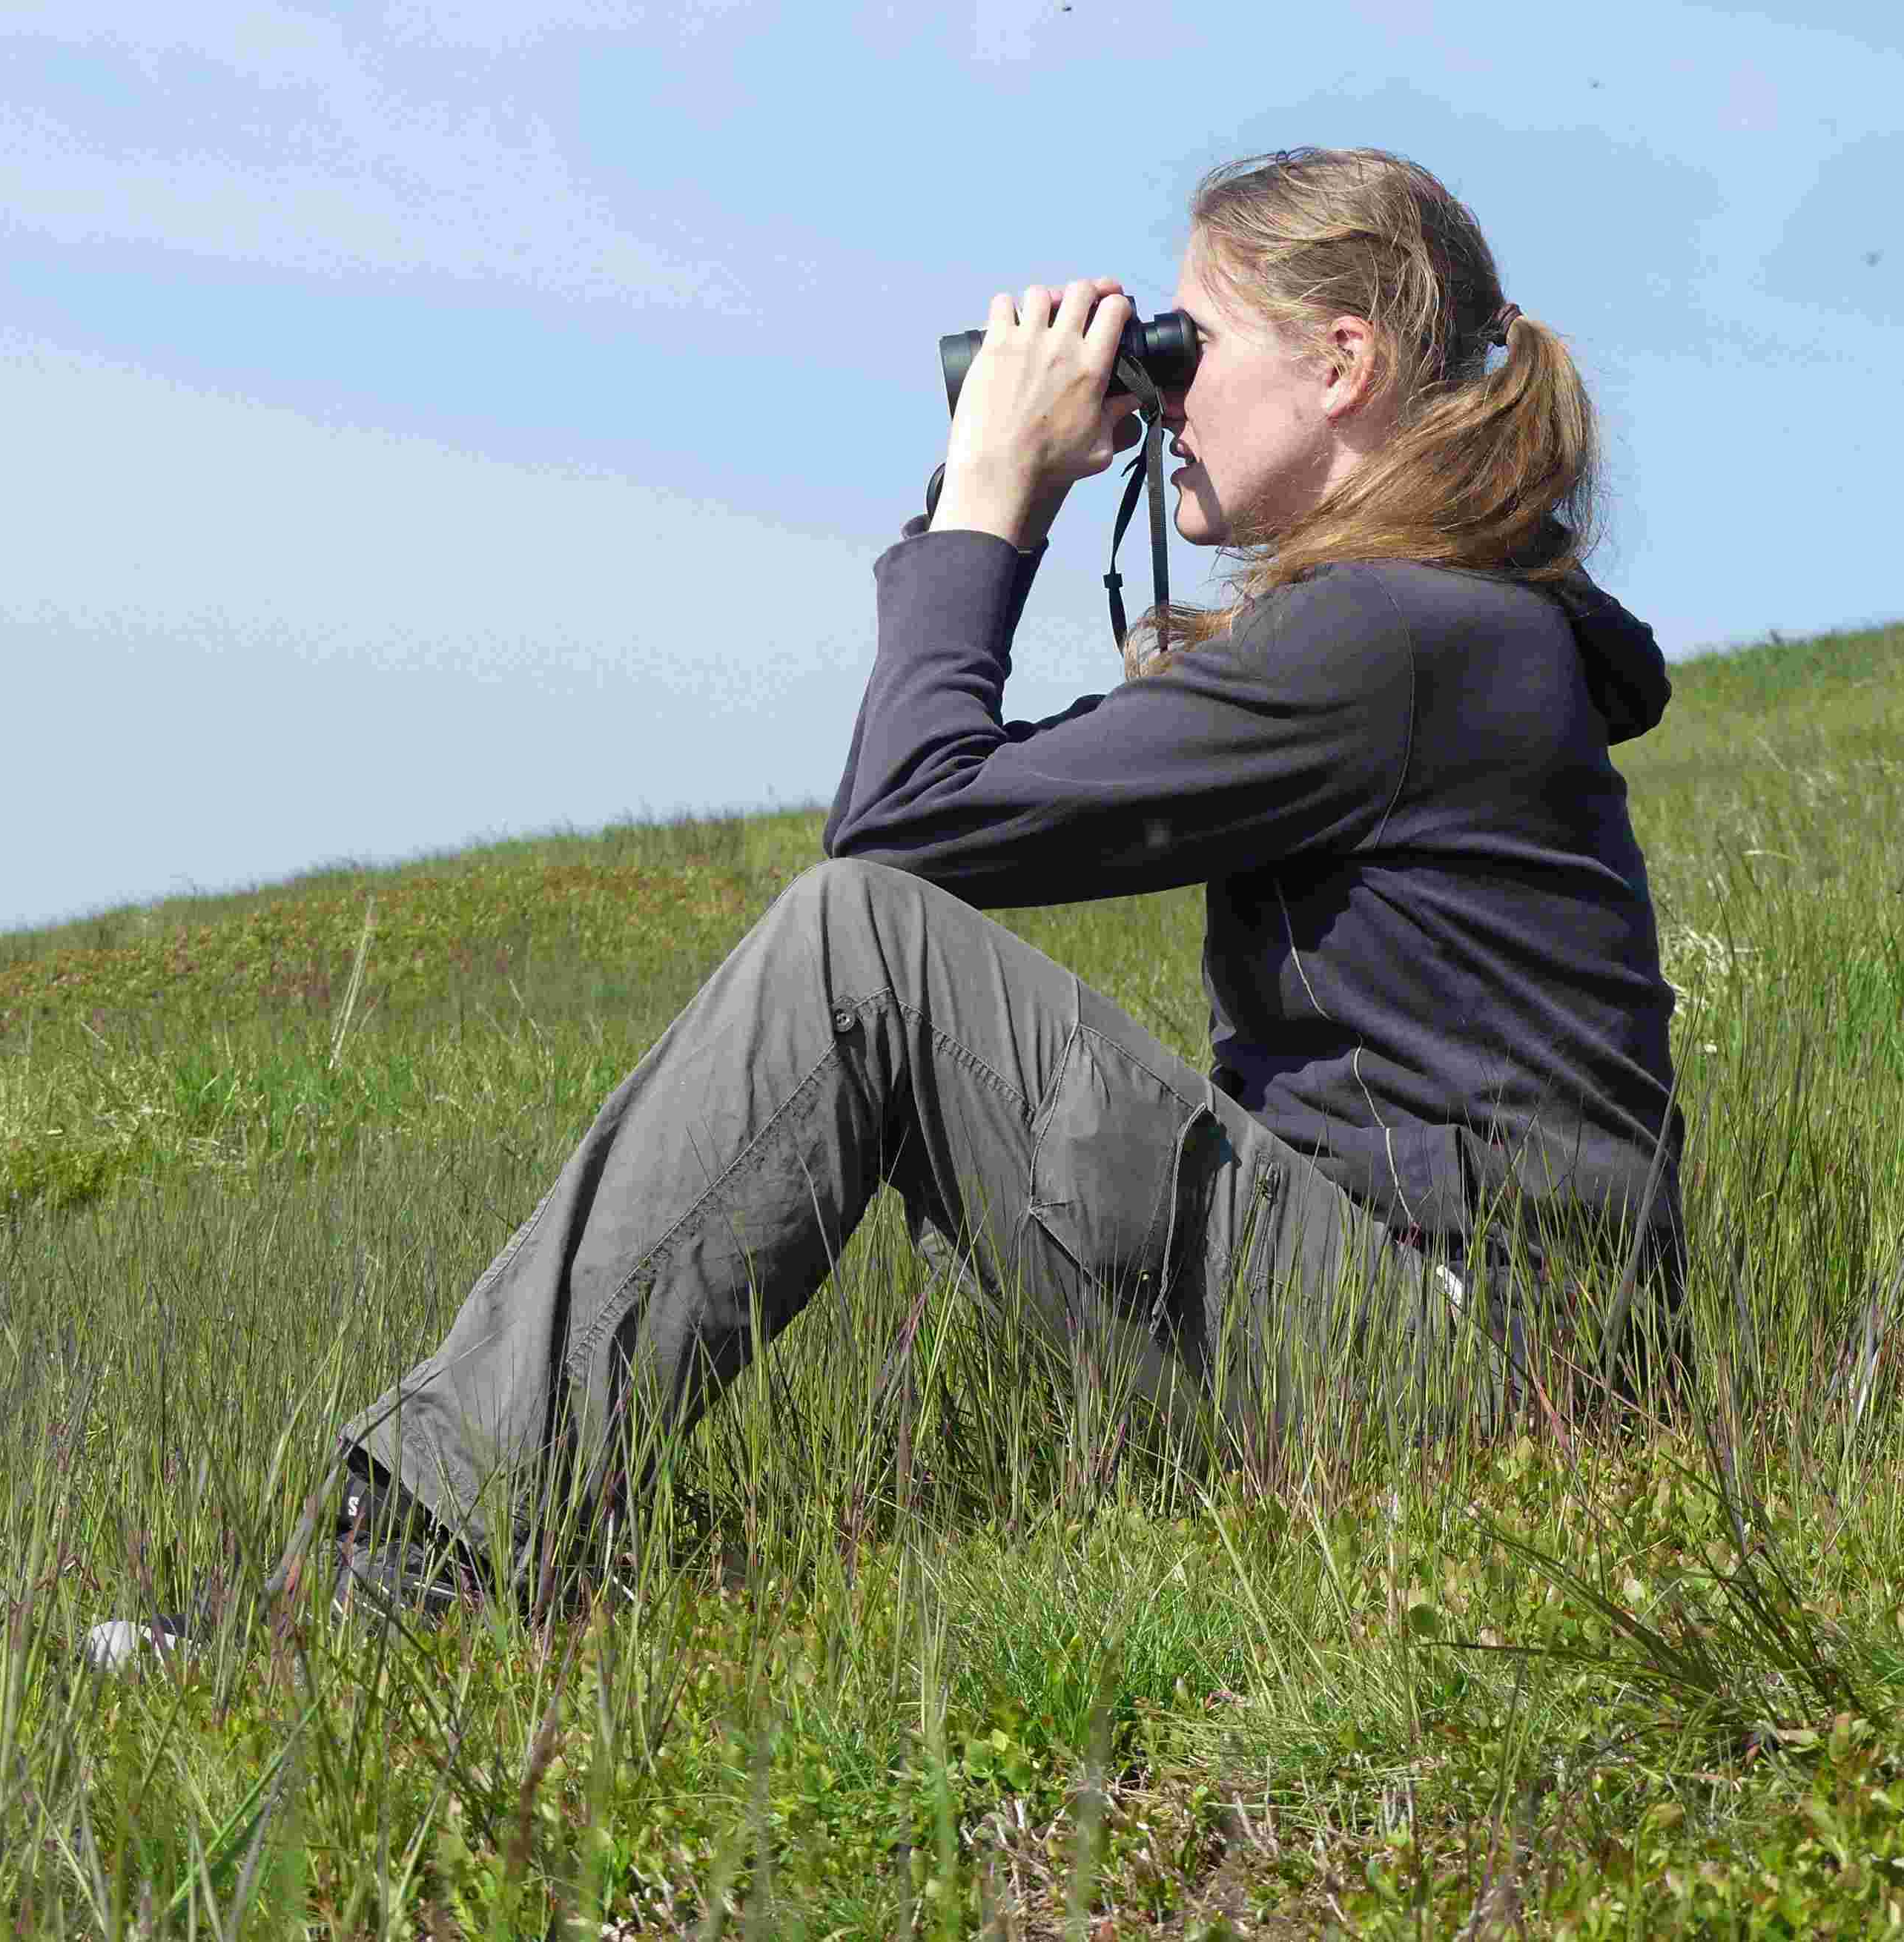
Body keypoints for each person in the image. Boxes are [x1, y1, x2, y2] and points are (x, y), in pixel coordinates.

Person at [254, 146, 1685, 1623]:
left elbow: (894, 829)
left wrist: (994, 493)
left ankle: (408, 1576)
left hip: (1460, 1384)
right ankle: (422, 1547)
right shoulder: (1460, 627)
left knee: (853, 946)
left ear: (1340, 363)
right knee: (868, 932)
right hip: (1485, 1371)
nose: (1160, 392)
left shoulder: (1390, 634)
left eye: (1187, 346)